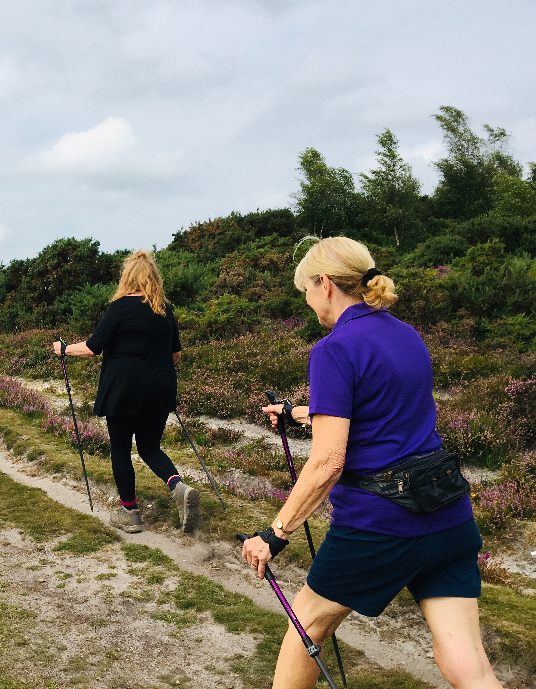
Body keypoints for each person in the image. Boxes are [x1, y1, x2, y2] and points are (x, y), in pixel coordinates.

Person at [241, 237, 501, 689]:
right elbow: (381, 411)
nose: (306, 302)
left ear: (325, 285)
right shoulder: (405, 334)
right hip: (448, 516)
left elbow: (327, 463)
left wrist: (274, 533)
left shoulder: (332, 349)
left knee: (306, 627)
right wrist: (296, 412)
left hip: (380, 524)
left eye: (305, 288)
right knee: (468, 664)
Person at [52, 250, 200, 535]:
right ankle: (179, 488)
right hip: (159, 390)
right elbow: (176, 354)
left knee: (120, 449)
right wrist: (153, 364)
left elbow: (93, 347)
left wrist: (63, 349)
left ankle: (130, 512)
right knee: (149, 447)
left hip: (123, 391)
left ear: (127, 277)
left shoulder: (118, 308)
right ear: (153, 277)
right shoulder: (164, 309)